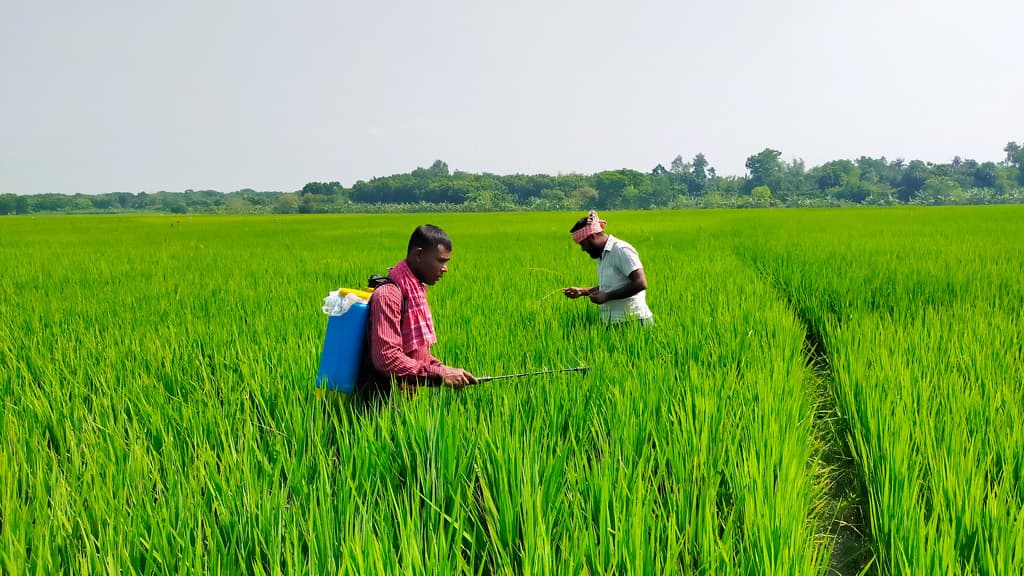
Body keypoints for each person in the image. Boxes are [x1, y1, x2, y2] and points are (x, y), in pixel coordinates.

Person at [365, 224, 476, 395]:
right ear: (419, 254)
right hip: (379, 406)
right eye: (440, 260)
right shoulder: (389, 295)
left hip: (403, 400)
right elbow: (387, 359)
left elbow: (416, 354)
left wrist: (445, 370)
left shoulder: (415, 293)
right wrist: (439, 376)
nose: (445, 268)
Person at [563, 210, 654, 326]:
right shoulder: (603, 255)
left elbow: (641, 283)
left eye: (583, 244)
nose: (583, 249)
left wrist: (607, 296)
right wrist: (582, 291)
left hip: (634, 321)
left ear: (592, 236)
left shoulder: (621, 249)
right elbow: (611, 286)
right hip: (613, 323)